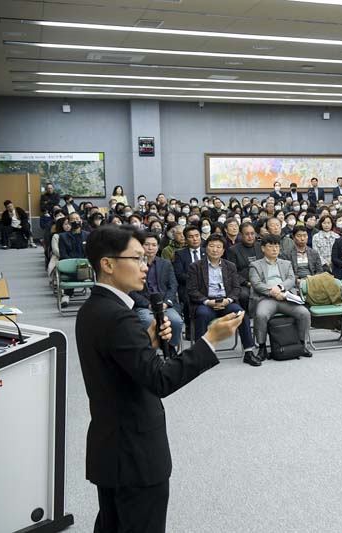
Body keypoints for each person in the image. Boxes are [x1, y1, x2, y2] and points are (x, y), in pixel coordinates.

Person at [76, 224, 242, 533]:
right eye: (137, 258)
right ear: (108, 264)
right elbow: (159, 380)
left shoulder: (94, 308)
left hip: (111, 446)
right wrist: (209, 340)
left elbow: (119, 367)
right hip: (136, 453)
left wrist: (148, 344)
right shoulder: (118, 317)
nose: (145, 266)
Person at [187, 234, 256, 364]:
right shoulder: (195, 266)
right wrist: (208, 302)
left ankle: (248, 351)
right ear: (206, 248)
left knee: (241, 314)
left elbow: (236, 288)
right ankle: (200, 355)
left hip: (226, 301)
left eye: (219, 247)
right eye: (211, 246)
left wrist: (228, 300)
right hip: (206, 302)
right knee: (201, 315)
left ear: (223, 250)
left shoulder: (230, 266)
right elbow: (192, 290)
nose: (215, 249)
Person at [249, 234, 313, 362]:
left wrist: (280, 288)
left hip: (285, 296)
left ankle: (302, 344)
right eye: (271, 246)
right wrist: (273, 292)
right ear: (263, 248)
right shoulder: (255, 265)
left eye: (277, 246)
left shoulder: (286, 263)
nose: (274, 249)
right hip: (266, 298)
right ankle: (262, 347)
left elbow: (291, 279)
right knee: (261, 315)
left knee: (304, 313)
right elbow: (256, 284)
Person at [130, 233, 184, 348]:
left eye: (154, 245)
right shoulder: (134, 265)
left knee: (176, 321)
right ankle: (149, 350)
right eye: (147, 244)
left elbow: (173, 285)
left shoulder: (166, 264)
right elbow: (131, 290)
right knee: (148, 320)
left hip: (164, 304)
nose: (150, 248)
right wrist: (148, 304)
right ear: (141, 246)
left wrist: (166, 302)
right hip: (144, 306)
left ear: (158, 247)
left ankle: (170, 349)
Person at [174, 226, 206, 328]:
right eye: (191, 237)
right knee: (188, 299)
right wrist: (196, 281)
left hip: (208, 285)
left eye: (197, 236)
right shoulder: (180, 254)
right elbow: (179, 274)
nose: (195, 239)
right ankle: (190, 328)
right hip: (188, 287)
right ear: (186, 239)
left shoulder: (208, 252)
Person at [226, 222, 261, 315]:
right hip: (244, 283)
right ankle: (246, 318)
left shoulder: (261, 247)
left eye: (252, 233)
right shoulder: (233, 250)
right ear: (240, 235)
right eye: (247, 234)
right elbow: (232, 273)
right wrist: (247, 283)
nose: (250, 236)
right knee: (244, 295)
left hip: (262, 281)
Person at [58, 211, 88, 307]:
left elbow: (90, 252)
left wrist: (82, 263)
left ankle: (67, 294)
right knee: (74, 269)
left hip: (84, 265)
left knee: (85, 268)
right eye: (73, 219)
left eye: (77, 219)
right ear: (69, 222)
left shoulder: (87, 235)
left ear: (81, 221)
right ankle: (67, 294)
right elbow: (63, 254)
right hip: (69, 265)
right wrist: (74, 265)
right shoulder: (63, 237)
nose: (76, 221)